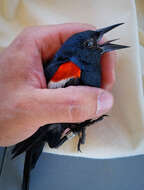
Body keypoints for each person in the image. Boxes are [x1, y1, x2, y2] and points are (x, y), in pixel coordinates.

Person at [0, 23, 114, 146]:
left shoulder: (85, 67)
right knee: (53, 142)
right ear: (80, 51)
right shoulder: (70, 68)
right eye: (89, 44)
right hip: (38, 126)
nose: (99, 42)